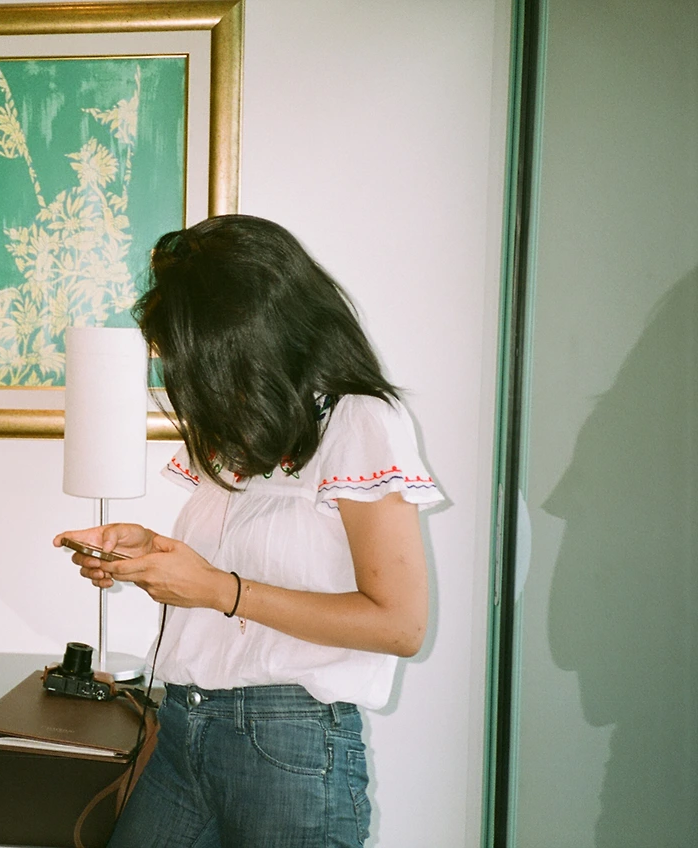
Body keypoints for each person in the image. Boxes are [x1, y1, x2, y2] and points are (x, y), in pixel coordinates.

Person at [54, 215, 443, 847]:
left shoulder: (359, 422)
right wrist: (152, 552)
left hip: (287, 745)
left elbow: (400, 625)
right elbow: (227, 572)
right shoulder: (238, 431)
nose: (184, 377)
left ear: (250, 336)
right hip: (184, 727)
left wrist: (219, 590)